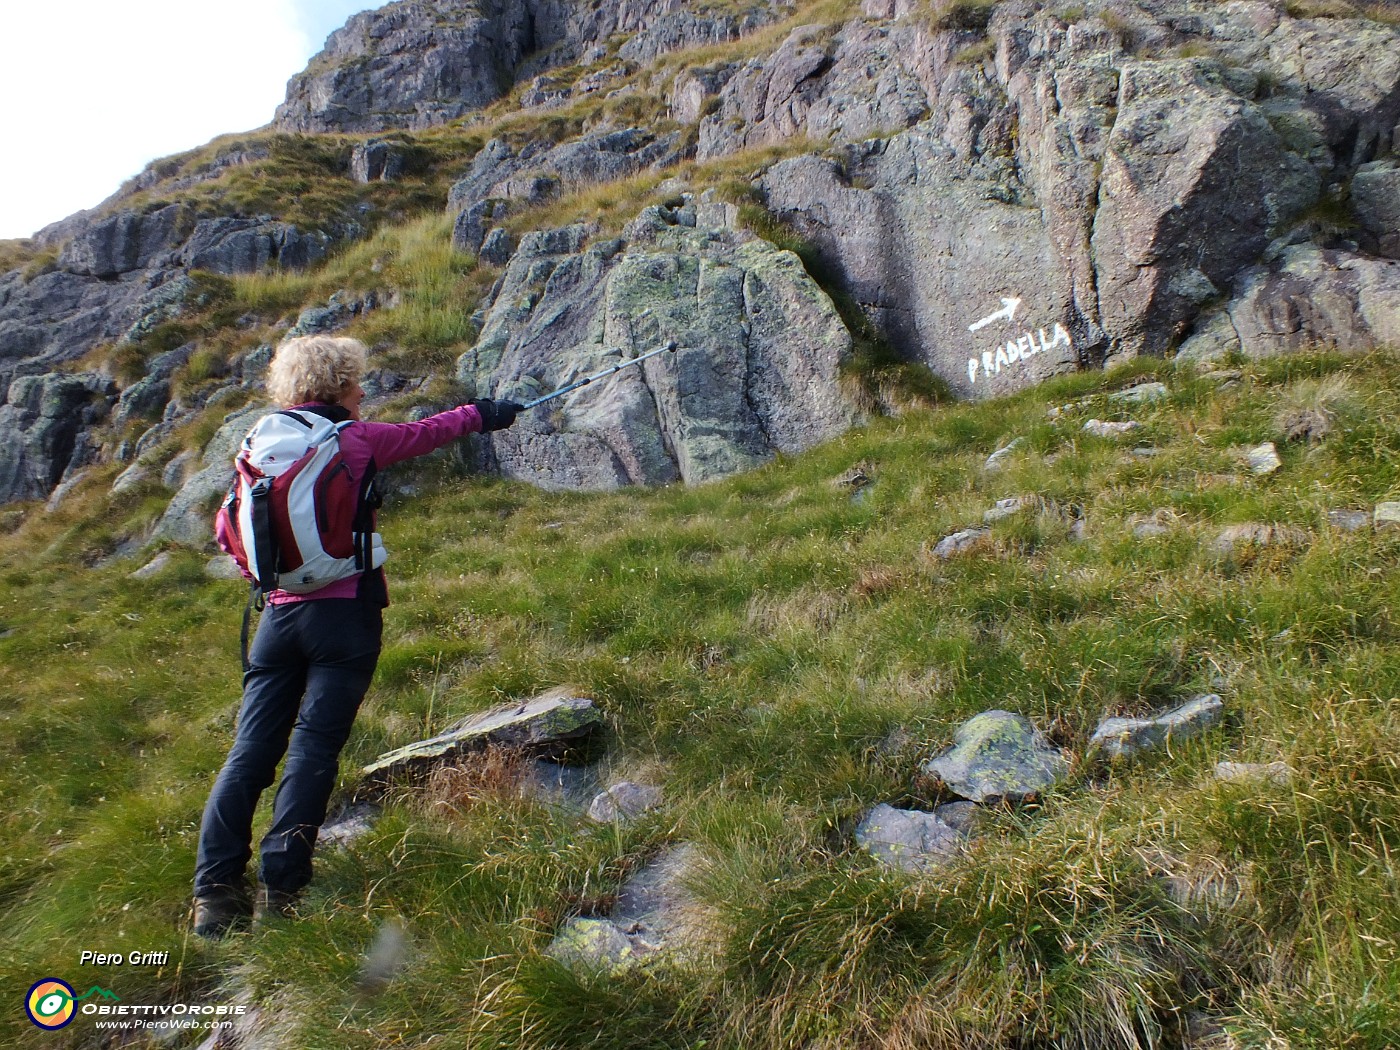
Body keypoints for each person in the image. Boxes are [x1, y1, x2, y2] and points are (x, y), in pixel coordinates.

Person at [192, 334, 521, 939]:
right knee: (313, 751)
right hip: (344, 617)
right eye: (356, 382)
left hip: (276, 620)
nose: (363, 391)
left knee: (248, 756)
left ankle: (214, 896)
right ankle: (282, 888)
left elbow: (225, 527)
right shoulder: (356, 439)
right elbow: (429, 433)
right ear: (340, 386)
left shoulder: (261, 443)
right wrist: (484, 413)